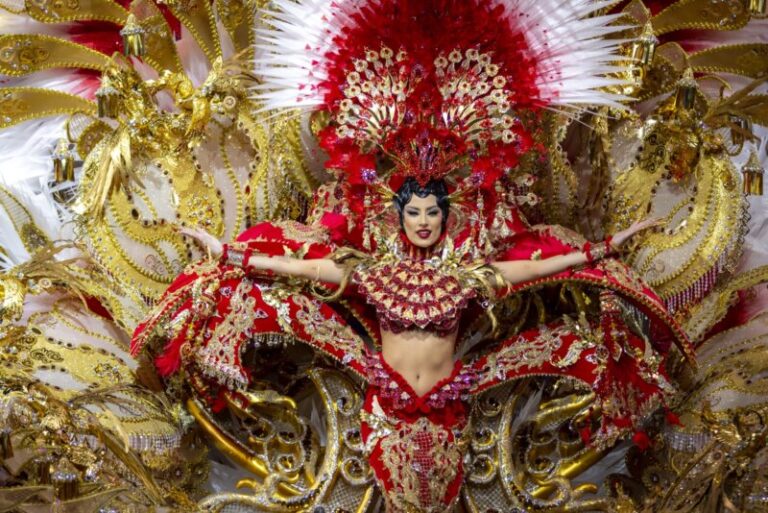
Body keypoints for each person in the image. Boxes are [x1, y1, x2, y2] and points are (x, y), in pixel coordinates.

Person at [171, 177, 663, 512]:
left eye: (432, 212)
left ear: (445, 218)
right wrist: (229, 254)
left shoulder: (467, 277)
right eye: (414, 212)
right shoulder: (368, 272)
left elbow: (534, 268)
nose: (423, 221)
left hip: (451, 410)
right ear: (400, 216)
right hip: (385, 410)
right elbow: (298, 268)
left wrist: (604, 248)